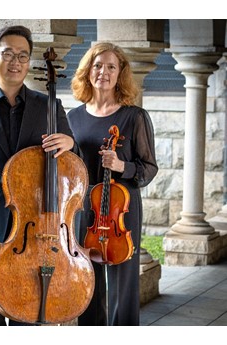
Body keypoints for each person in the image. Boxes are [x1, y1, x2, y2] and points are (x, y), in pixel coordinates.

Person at [0, 25, 78, 326]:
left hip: (34, 231)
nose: (15, 62)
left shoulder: (49, 106)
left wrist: (70, 144)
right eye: (7, 53)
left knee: (30, 315)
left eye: (22, 55)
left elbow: (74, 166)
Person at [67, 42, 158, 326]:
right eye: (97, 66)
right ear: (87, 71)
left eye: (110, 67)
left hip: (121, 210)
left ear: (120, 74)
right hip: (86, 210)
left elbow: (149, 168)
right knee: (89, 280)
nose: (103, 72)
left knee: (123, 285)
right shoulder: (73, 118)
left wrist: (122, 166)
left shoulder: (134, 117)